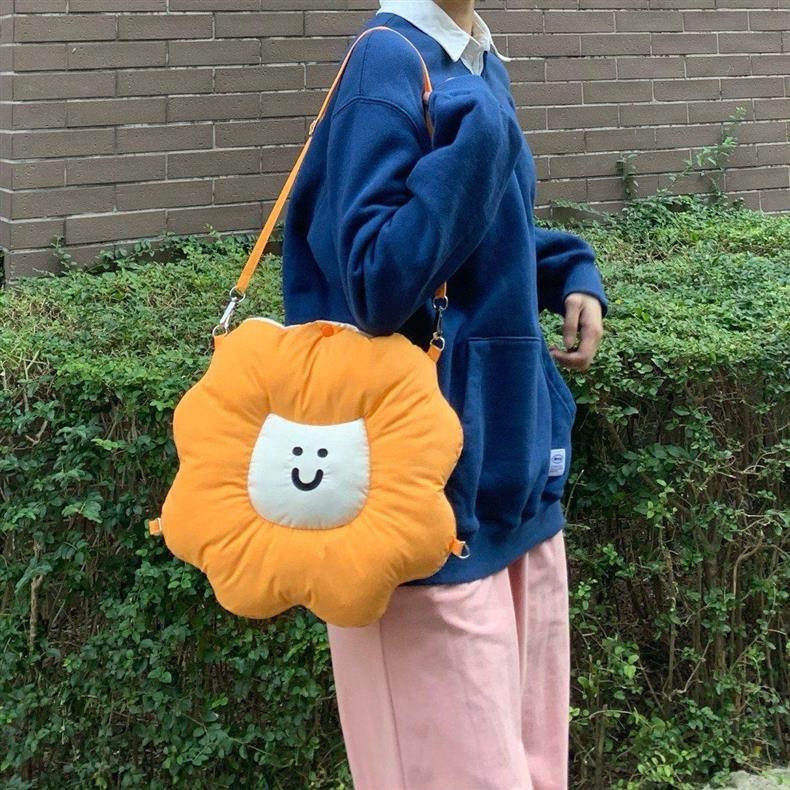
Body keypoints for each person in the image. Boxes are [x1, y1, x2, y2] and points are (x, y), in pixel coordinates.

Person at [282, 1, 607, 788]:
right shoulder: (385, 64)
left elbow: (483, 236)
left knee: (535, 774)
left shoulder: (476, 61)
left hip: (514, 494)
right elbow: (373, 280)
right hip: (424, 517)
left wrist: (566, 269)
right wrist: (480, 139)